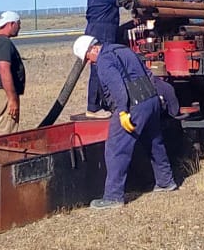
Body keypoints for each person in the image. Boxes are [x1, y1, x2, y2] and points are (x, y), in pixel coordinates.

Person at [73, 34, 178, 209]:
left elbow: (117, 87)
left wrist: (122, 111)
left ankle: (113, 197)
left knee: (116, 148)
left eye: (87, 57)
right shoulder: (122, 49)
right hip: (151, 100)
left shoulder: (104, 60)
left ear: (93, 49)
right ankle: (166, 181)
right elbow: (148, 73)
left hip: (133, 105)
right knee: (154, 142)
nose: (90, 62)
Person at [85, 0, 121, 113]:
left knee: (101, 69)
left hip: (97, 32)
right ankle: (93, 107)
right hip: (102, 34)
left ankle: (104, 103)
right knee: (98, 69)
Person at [0, 10, 25, 135]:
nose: (20, 27)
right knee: (6, 133)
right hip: (4, 95)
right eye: (18, 24)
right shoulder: (4, 43)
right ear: (11, 24)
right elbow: (4, 69)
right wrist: (12, 99)